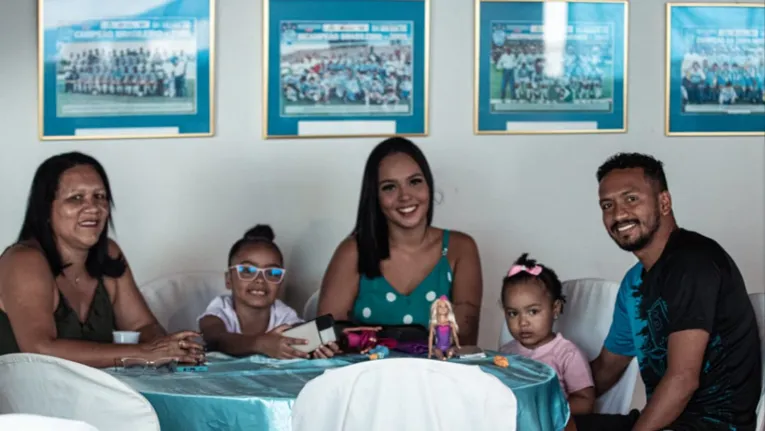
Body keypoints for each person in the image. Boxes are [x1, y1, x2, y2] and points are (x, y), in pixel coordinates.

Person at [574, 153, 762, 430]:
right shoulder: (634, 283)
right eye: (607, 204)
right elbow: (606, 368)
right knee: (550, 424)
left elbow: (683, 379)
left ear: (664, 202)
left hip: (713, 425)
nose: (618, 213)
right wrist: (541, 394)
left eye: (631, 198)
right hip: (664, 421)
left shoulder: (695, 262)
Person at [0, 152, 204, 368]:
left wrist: (171, 349)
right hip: (25, 398)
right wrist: (142, 353)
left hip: (92, 396)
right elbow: (39, 349)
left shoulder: (109, 253)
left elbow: (142, 326)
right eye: (76, 198)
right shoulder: (24, 261)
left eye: (100, 197)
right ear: (47, 210)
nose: (93, 207)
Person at [317, 137, 483, 345]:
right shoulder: (352, 251)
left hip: (438, 375)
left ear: (428, 185)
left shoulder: (460, 249)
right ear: (375, 196)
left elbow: (464, 341)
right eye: (389, 187)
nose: (405, 196)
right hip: (367, 375)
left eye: (414, 182)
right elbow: (324, 338)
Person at [199, 225, 336, 359]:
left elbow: (299, 335)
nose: (260, 280)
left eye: (272, 273)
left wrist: (314, 345)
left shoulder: (283, 314)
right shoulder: (221, 310)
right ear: (229, 279)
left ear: (280, 282)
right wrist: (261, 344)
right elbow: (216, 340)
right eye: (247, 271)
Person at [499, 253, 595, 415]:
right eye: (513, 313)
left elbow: (585, 401)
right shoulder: (506, 353)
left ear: (555, 309)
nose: (523, 322)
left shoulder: (566, 354)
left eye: (533, 311)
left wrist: (548, 410)